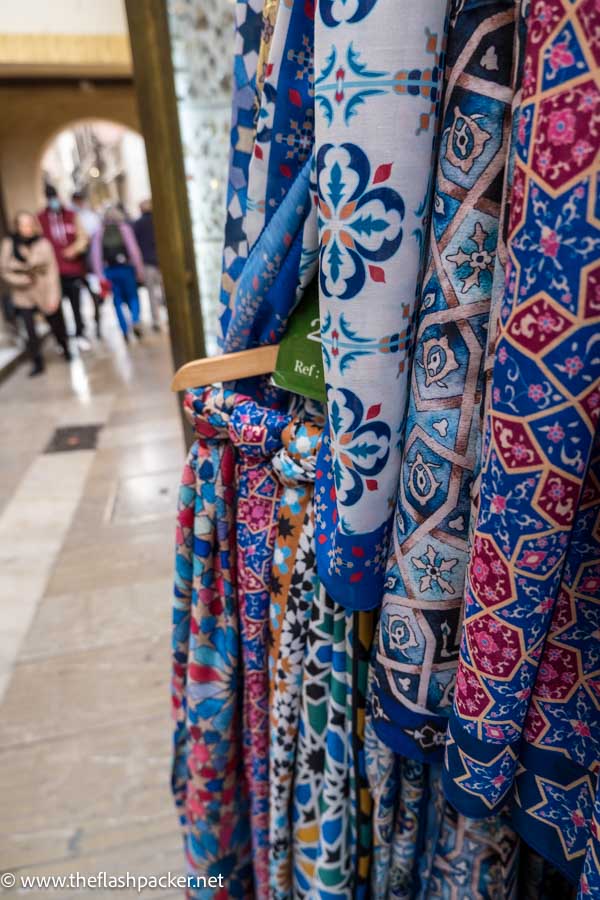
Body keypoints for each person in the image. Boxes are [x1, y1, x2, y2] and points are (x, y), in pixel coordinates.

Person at [0, 211, 71, 376]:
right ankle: (37, 361)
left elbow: (53, 272)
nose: (27, 228)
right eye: (23, 224)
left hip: (44, 290)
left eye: (29, 224)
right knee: (29, 330)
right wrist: (22, 280)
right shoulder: (9, 244)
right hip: (23, 294)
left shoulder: (43, 243)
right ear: (17, 227)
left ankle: (66, 348)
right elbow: (4, 270)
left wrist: (54, 297)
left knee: (56, 324)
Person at [39, 185, 91, 350]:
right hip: (52, 274)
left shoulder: (71, 215)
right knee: (55, 308)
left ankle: (80, 334)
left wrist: (74, 249)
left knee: (76, 305)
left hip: (72, 270)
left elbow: (83, 237)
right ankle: (62, 339)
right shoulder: (40, 218)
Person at [91, 206, 145, 343]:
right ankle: (135, 319)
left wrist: (100, 276)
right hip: (126, 268)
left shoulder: (99, 232)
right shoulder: (125, 229)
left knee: (117, 301)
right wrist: (139, 270)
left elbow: (95, 256)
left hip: (110, 270)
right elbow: (134, 251)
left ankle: (124, 330)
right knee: (133, 296)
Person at [71, 190, 103, 339]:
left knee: (95, 295)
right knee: (79, 298)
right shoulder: (71, 217)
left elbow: (95, 239)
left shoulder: (90, 216)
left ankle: (98, 324)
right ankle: (83, 328)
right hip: (79, 265)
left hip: (90, 263)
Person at [133, 199, 164, 332]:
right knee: (164, 291)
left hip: (147, 262)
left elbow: (135, 246)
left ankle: (156, 320)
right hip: (161, 261)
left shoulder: (137, 224)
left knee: (151, 293)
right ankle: (168, 316)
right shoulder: (159, 221)